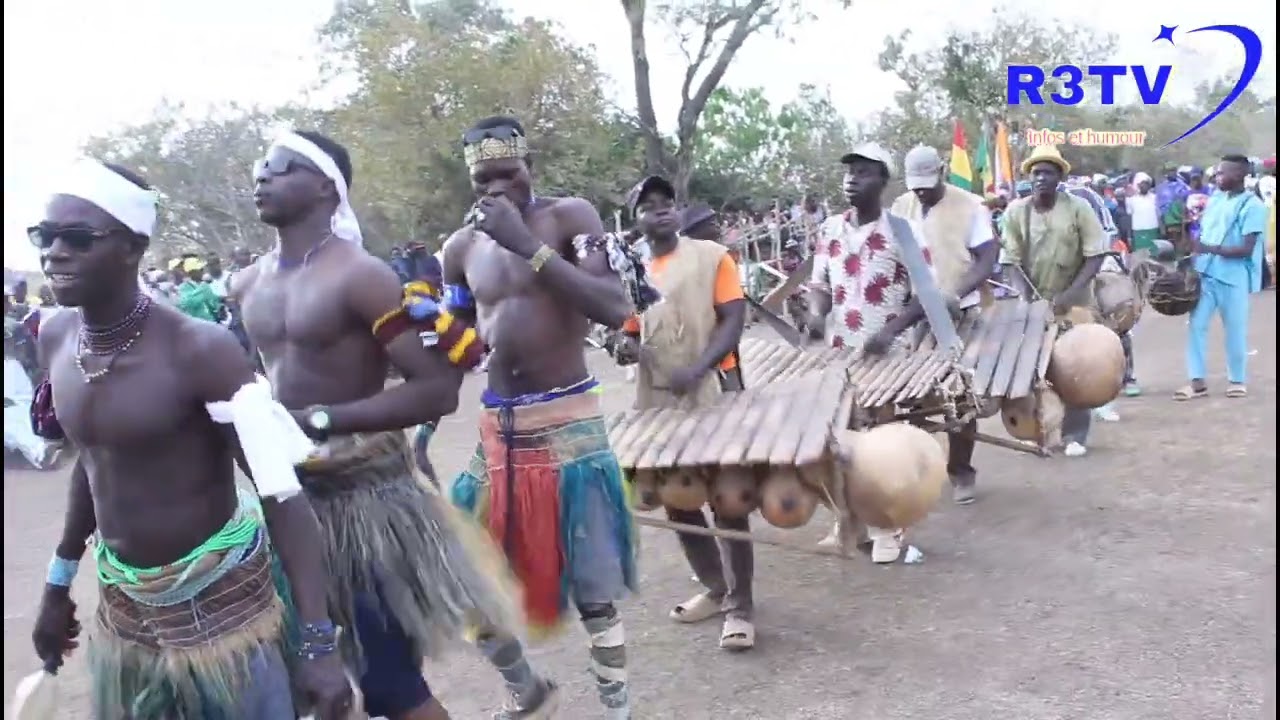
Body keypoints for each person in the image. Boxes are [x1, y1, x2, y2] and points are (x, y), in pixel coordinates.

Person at [236, 130, 549, 720]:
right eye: (261, 167)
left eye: (279, 167)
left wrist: (322, 419)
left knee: (389, 683)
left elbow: (435, 390)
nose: (263, 177)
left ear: (327, 186)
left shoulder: (362, 277)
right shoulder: (246, 284)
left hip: (367, 504)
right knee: (312, 682)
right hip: (289, 502)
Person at [27, 160, 351, 719]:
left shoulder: (201, 350)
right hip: (127, 613)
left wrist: (319, 643)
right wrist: (58, 585)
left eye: (77, 238)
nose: (54, 252)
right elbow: (96, 460)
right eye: (45, 236)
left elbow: (283, 497)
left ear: (131, 248)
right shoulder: (57, 336)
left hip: (222, 616)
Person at [445, 115, 655, 719]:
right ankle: (524, 686)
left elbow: (612, 306)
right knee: (468, 578)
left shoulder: (571, 219)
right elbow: (456, 341)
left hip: (571, 429)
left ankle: (617, 709)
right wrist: (423, 424)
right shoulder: (459, 248)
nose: (499, 189)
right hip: (496, 435)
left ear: (530, 164)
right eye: (485, 180)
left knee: (595, 591)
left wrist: (527, 246)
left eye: (510, 173)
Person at [615, 176, 753, 649]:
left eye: (666, 203)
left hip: (714, 390)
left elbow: (733, 319)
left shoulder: (712, 257)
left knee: (728, 499)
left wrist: (698, 368)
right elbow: (632, 329)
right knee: (680, 497)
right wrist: (625, 345)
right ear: (634, 218)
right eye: (648, 206)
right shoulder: (631, 270)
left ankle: (742, 607)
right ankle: (715, 589)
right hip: (658, 400)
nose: (660, 211)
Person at [806, 142, 942, 561]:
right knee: (841, 442)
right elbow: (821, 286)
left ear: (883, 180)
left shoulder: (904, 230)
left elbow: (927, 294)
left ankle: (889, 528)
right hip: (841, 354)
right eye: (849, 172)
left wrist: (891, 330)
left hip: (889, 358)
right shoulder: (830, 229)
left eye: (863, 173)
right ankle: (848, 524)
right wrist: (815, 315)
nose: (852, 180)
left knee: (883, 446)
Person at [890, 145, 998, 504]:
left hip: (960, 313)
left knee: (959, 397)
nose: (921, 190)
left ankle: (961, 471)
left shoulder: (969, 205)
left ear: (943, 171)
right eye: (915, 184)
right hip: (916, 316)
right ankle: (919, 470)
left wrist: (957, 293)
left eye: (927, 182)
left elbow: (987, 259)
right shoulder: (900, 208)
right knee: (912, 397)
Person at [999, 146, 1107, 457]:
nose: (1042, 178)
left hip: (1074, 301)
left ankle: (1075, 434)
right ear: (1029, 177)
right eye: (1036, 173)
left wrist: (1071, 294)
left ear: (1060, 177)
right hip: (1033, 304)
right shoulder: (1015, 212)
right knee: (1032, 370)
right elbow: (1010, 261)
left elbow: (1095, 254)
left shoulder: (1078, 209)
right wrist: (1025, 294)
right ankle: (1037, 432)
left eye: (1048, 172)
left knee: (1076, 369)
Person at [1175, 154, 1268, 401]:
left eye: (1222, 173)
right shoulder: (1215, 200)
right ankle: (1196, 382)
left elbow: (1247, 249)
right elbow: (1204, 234)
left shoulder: (1253, 206)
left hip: (1234, 277)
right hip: (1206, 273)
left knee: (1235, 330)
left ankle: (1237, 380)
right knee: (1196, 326)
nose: (1216, 177)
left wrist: (1208, 248)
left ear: (1239, 175)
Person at [175, 256, 223, 322]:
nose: (202, 272)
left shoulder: (204, 285)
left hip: (212, 322)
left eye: (202, 269)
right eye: (200, 270)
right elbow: (188, 303)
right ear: (192, 272)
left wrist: (219, 304)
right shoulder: (184, 287)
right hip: (198, 325)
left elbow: (212, 301)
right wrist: (201, 289)